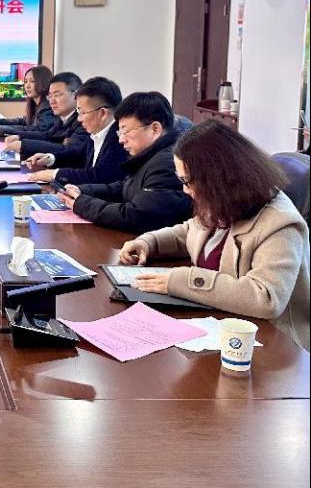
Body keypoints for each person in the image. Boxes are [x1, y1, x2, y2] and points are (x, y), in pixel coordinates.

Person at [119, 120, 310, 351]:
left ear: (218, 177)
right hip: (218, 325)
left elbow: (266, 298)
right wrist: (149, 242)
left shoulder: (280, 223)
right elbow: (191, 230)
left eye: (187, 181)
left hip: (271, 347)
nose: (185, 190)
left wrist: (181, 281)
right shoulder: (222, 200)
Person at [58, 91, 192, 233]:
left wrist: (82, 204)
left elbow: (138, 216)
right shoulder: (149, 156)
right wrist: (83, 190)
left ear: (155, 129)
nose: (121, 140)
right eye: (120, 132)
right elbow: (125, 188)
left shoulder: (169, 163)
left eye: (126, 131)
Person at [25, 76, 128, 185]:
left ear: (102, 113)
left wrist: (54, 174)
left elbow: (99, 176)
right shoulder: (96, 133)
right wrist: (50, 159)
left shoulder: (121, 139)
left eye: (82, 113)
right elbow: (77, 154)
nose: (79, 119)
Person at [3, 72, 89, 162]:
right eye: (50, 96)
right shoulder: (63, 119)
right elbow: (48, 136)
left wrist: (24, 145)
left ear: (76, 95)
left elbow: (71, 151)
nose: (52, 101)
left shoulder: (83, 121)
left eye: (57, 95)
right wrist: (19, 137)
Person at [0, 65, 55, 137]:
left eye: (32, 81)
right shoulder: (36, 105)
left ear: (44, 83)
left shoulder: (47, 108)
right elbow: (24, 121)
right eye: (26, 81)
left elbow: (37, 130)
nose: (27, 86)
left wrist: (5, 129)